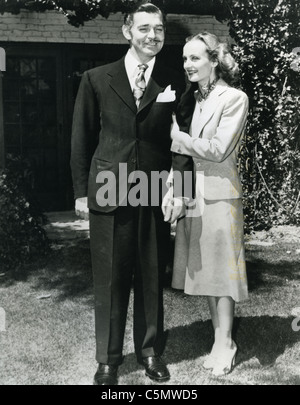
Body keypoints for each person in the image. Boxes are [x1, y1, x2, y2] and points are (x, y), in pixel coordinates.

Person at [70, 3, 191, 385]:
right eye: (144, 28)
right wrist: (79, 193)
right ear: (127, 32)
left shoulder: (174, 81)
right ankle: (108, 359)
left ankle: (150, 351)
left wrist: (182, 192)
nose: (152, 36)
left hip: (155, 190)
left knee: (152, 273)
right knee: (110, 276)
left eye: (158, 29)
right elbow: (81, 139)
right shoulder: (95, 78)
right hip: (109, 186)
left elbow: (183, 145)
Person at [164, 32, 249, 377]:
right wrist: (175, 187)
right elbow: (182, 159)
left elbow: (217, 149)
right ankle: (220, 340)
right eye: (185, 59)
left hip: (221, 196)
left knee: (222, 276)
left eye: (195, 58)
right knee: (207, 276)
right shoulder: (192, 100)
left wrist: (179, 137)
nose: (188, 65)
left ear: (215, 60)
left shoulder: (234, 98)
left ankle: (225, 342)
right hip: (195, 198)